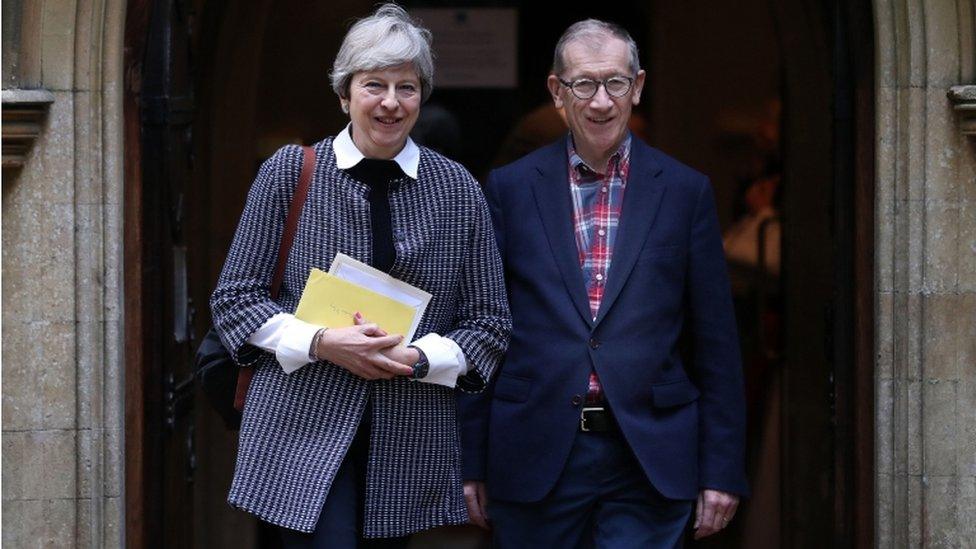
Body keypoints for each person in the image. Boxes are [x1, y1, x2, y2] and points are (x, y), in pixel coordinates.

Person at [210, 5, 511, 547]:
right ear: (345, 94)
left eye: (408, 87)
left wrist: (420, 359)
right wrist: (324, 342)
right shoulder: (290, 171)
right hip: (299, 431)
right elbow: (235, 300)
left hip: (407, 441)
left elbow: (489, 324)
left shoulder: (459, 190)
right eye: (375, 85)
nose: (392, 102)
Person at [459, 19, 748, 548]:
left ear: (637, 87)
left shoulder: (685, 193)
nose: (601, 101)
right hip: (534, 448)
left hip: (649, 455)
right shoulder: (509, 189)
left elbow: (717, 345)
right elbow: (484, 328)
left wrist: (721, 469)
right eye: (584, 84)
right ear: (557, 92)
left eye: (615, 82)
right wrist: (471, 459)